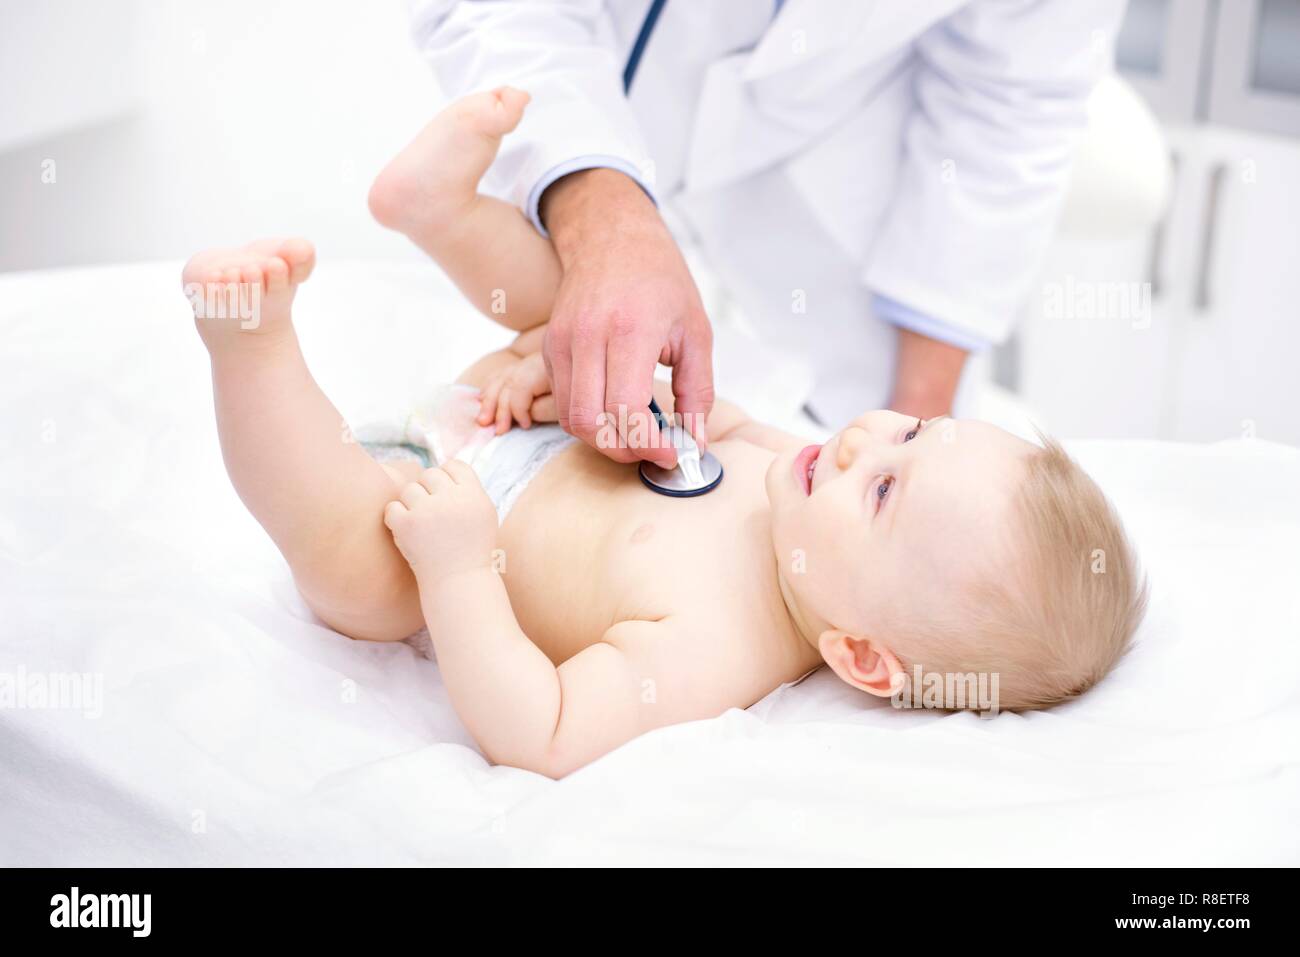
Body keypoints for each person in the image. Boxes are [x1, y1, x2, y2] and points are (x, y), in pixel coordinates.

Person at [181, 89, 1146, 777]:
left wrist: (459, 570)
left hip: (431, 517)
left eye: (885, 490)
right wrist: (570, 383)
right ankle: (437, 212)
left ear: (861, 656)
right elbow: (686, 415)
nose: (863, 440)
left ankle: (250, 345)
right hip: (522, 412)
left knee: (353, 574)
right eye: (915, 428)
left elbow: (542, 731)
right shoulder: (782, 466)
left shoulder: (720, 646)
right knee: (585, 311)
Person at [392, 0, 1127, 465]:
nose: (862, 459)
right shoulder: (777, 495)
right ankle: (448, 214)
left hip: (833, 127)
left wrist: (919, 418)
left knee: (555, 327)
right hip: (591, 85)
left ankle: (442, 215)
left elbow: (1010, 101)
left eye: (886, 491)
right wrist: (602, 213)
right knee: (555, 309)